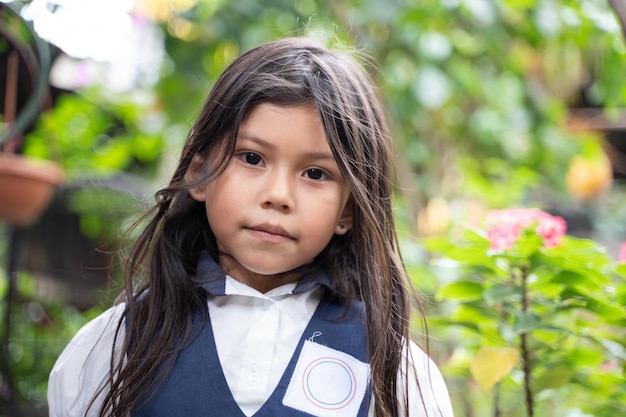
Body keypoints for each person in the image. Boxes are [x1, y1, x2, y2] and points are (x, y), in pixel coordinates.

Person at [48, 37, 454, 417]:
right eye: (252, 158)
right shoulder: (113, 347)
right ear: (200, 171)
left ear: (347, 211)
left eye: (315, 173)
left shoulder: (395, 373)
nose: (278, 195)